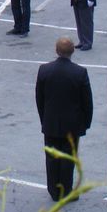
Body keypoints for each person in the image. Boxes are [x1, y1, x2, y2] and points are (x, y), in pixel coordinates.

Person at [35, 37, 94, 201]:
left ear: (56, 50)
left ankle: (53, 190)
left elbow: (39, 99)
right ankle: (66, 190)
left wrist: (44, 119)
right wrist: (85, 124)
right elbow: (87, 102)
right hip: (72, 124)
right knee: (68, 158)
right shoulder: (80, 73)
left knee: (52, 158)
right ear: (72, 51)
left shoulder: (44, 70)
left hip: (51, 122)